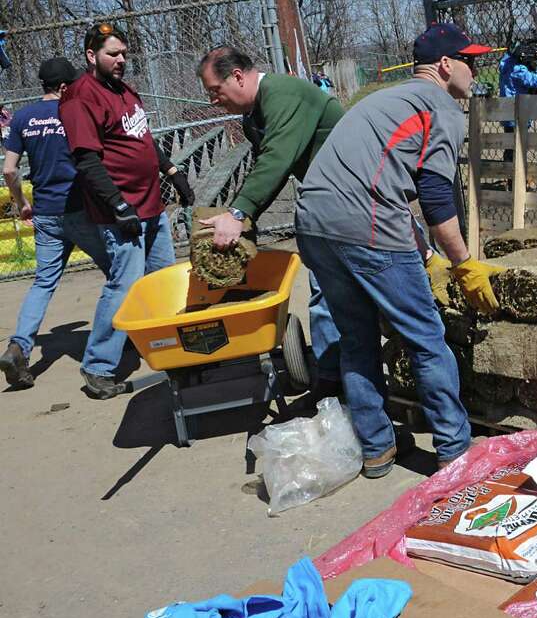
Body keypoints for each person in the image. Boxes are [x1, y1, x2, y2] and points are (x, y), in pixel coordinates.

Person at [293, 22, 500, 478]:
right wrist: (464, 265)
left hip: (312, 226)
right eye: (470, 60)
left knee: (357, 338)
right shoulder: (440, 106)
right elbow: (435, 197)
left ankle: (377, 449)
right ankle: (454, 450)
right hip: (363, 226)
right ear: (445, 65)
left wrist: (426, 256)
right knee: (426, 339)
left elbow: (380, 179)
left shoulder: (385, 100)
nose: (475, 69)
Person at [196, 46, 344, 396]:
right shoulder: (253, 116)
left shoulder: (282, 94)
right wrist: (241, 216)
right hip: (328, 198)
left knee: (340, 288)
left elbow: (278, 158)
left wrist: (239, 213)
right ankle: (333, 378)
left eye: (215, 90)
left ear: (237, 76)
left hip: (354, 196)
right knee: (325, 289)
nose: (214, 101)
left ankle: (339, 378)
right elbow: (268, 168)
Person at [60, 23, 193, 399]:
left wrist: (172, 171)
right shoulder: (80, 97)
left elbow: (142, 138)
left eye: (123, 53)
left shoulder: (123, 89)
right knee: (125, 285)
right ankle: (98, 366)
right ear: (91, 55)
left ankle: (173, 350)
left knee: (165, 279)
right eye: (112, 54)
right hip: (122, 213)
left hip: (152, 205)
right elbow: (86, 160)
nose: (120, 60)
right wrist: (118, 204)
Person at [0, 58, 111, 390]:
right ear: (64, 87)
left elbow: (8, 170)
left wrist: (22, 204)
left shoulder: (22, 117)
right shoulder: (74, 112)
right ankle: (122, 338)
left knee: (43, 283)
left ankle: (19, 345)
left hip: (45, 213)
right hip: (81, 209)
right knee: (118, 272)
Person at [497, 37, 537, 166]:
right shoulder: (517, 69)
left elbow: (506, 58)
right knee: (517, 147)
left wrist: (517, 48)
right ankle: (515, 177)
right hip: (517, 113)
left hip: (507, 113)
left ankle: (511, 177)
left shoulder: (506, 63)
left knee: (511, 147)